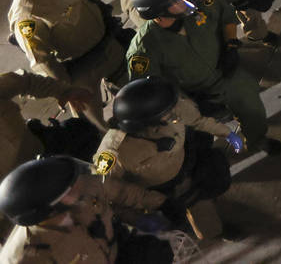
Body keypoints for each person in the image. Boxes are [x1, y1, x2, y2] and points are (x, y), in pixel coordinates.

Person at [126, 0, 280, 154]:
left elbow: (226, 13)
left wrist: (230, 44)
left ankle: (257, 139)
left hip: (225, 72)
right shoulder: (143, 49)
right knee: (193, 144)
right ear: (158, 15)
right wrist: (184, 102)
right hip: (193, 95)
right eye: (175, 1)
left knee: (251, 105)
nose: (183, 1)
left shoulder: (198, 8)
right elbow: (149, 92)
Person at [2, 0, 128, 127]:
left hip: (108, 46)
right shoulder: (28, 13)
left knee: (142, 91)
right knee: (96, 128)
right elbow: (42, 60)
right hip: (79, 71)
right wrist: (65, 90)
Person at [94, 76, 240, 240]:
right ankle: (211, 231)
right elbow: (105, 189)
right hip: (159, 190)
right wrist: (154, 204)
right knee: (185, 217)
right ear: (142, 126)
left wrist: (227, 133)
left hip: (185, 161)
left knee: (213, 172)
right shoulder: (114, 151)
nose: (174, 117)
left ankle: (210, 223)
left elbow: (198, 121)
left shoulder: (166, 106)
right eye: (165, 118)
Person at [0, 155, 172, 263]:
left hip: (117, 249)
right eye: (69, 192)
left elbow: (122, 192)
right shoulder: (25, 258)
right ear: (46, 213)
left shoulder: (82, 187)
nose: (81, 187)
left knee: (159, 249)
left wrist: (161, 204)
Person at [0, 70, 97, 231]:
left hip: (45, 155)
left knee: (84, 131)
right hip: (19, 203)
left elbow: (26, 82)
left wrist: (63, 91)